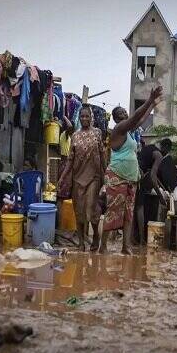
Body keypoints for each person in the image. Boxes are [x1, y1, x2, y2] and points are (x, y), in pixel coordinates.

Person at [100, 86, 163, 254]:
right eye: (120, 113)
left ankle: (126, 247)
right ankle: (103, 246)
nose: (124, 114)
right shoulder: (119, 130)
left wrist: (153, 105)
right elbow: (135, 117)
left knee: (129, 213)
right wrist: (149, 100)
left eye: (124, 112)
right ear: (115, 119)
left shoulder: (128, 133)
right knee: (113, 212)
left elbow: (139, 120)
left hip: (131, 179)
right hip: (117, 176)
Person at [58, 105, 106, 252]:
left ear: (91, 118)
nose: (85, 119)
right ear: (79, 118)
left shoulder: (97, 133)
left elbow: (103, 155)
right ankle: (80, 242)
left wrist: (106, 176)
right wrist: (62, 177)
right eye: (82, 116)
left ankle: (96, 236)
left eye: (87, 116)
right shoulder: (75, 136)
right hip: (77, 178)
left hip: (94, 177)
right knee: (78, 212)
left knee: (91, 210)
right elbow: (70, 160)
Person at [135, 138, 177, 244]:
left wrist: (164, 189)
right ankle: (142, 238)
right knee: (140, 207)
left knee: (136, 206)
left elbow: (154, 175)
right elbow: (152, 176)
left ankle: (135, 237)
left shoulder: (150, 148)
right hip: (137, 174)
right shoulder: (159, 155)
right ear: (166, 148)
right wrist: (160, 196)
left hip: (135, 170)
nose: (167, 152)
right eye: (167, 150)